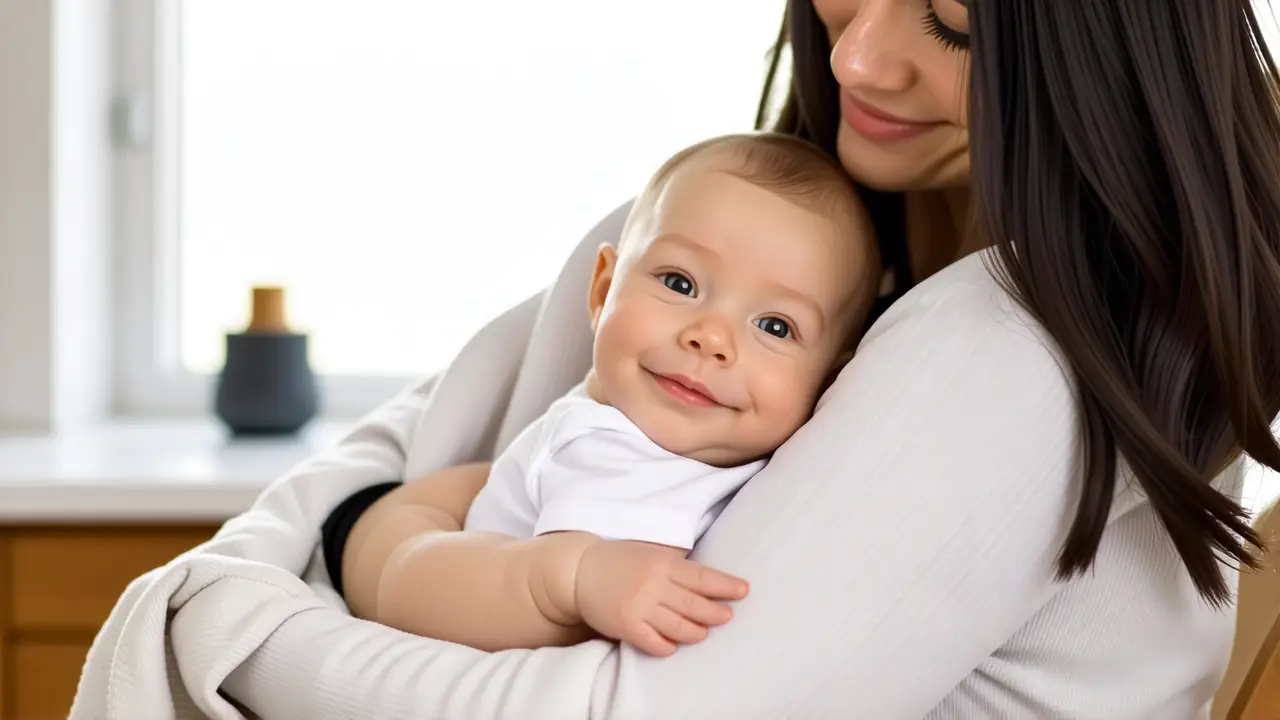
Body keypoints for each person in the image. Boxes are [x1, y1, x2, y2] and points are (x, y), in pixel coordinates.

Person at [185, 0, 1280, 716]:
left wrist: (237, 618)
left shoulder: (1004, 345)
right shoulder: (772, 229)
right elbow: (416, 441)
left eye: (948, 23)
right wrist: (380, 534)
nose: (856, 51)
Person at [367, 132, 881, 657]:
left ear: (830, 380)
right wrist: (570, 580)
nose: (711, 338)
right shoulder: (607, 448)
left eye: (775, 326)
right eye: (680, 284)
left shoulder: (771, 472)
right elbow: (403, 597)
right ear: (601, 291)